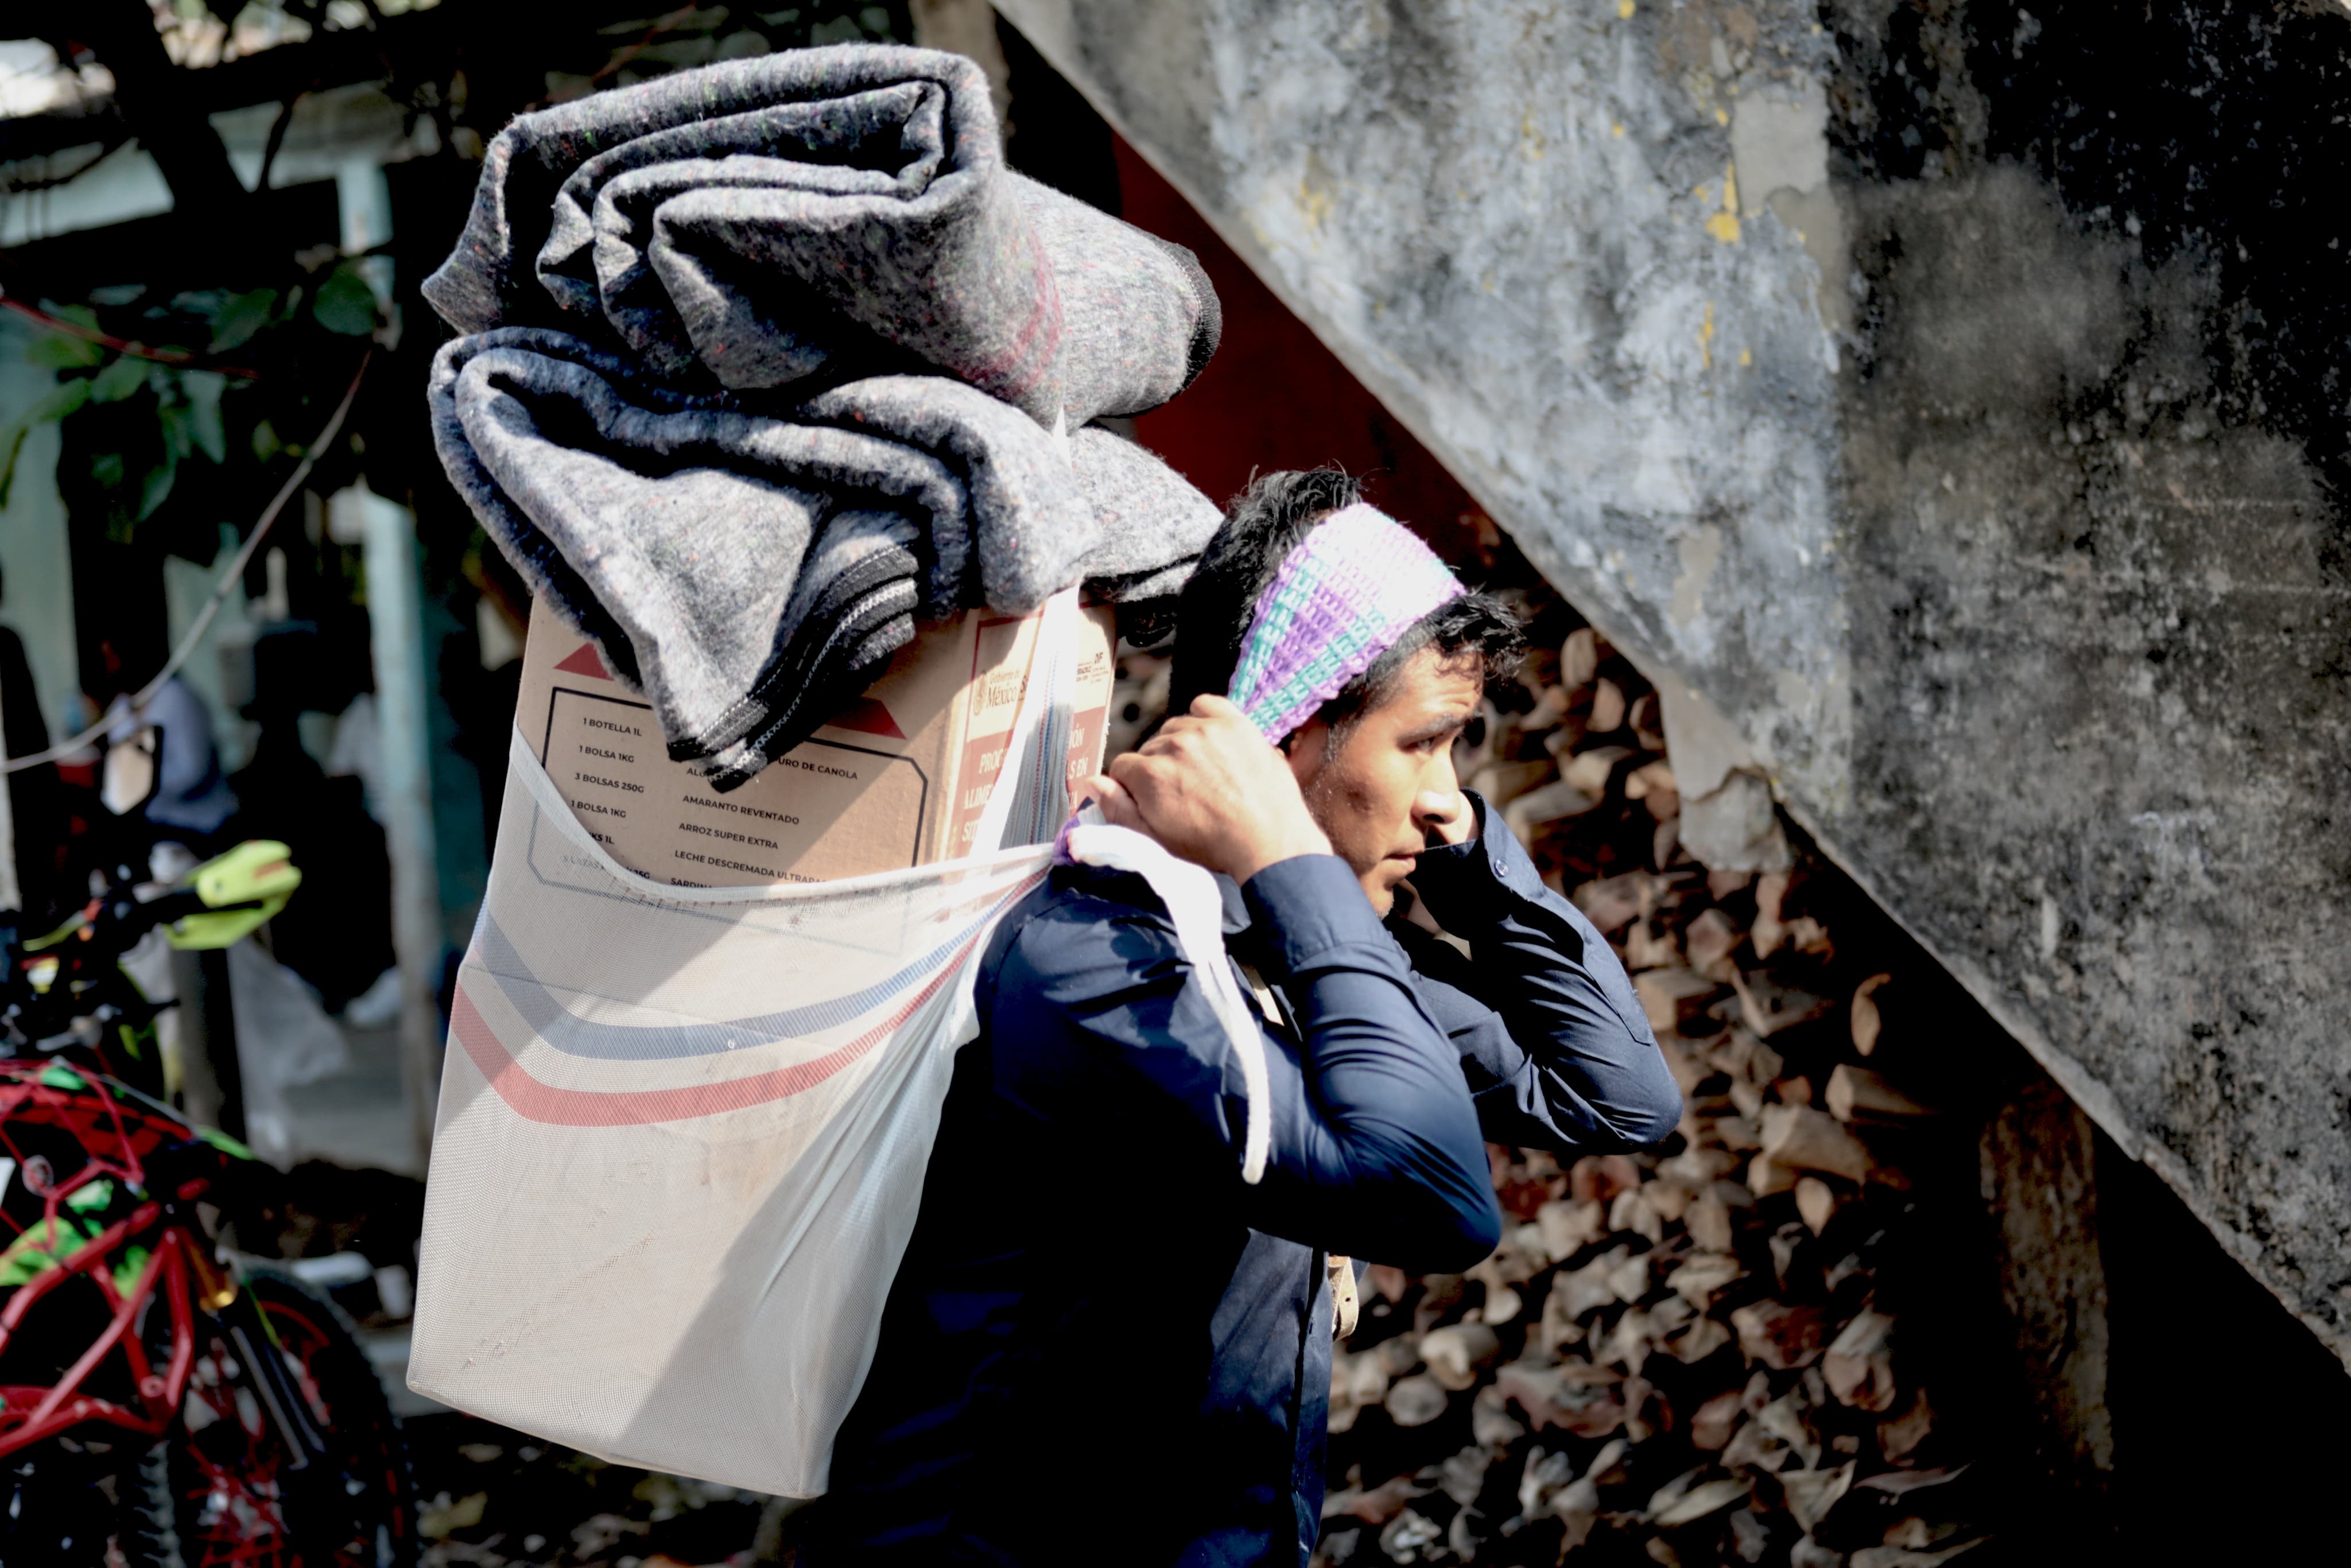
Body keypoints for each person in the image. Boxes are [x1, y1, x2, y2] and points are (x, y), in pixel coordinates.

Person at [804, 471, 1682, 1566]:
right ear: (1292, 732)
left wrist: (1468, 868)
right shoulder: (1101, 965)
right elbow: (1437, 1201)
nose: (1445, 795)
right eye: (1423, 744)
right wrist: (1290, 855)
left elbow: (1618, 1097)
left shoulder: (1302, 947)